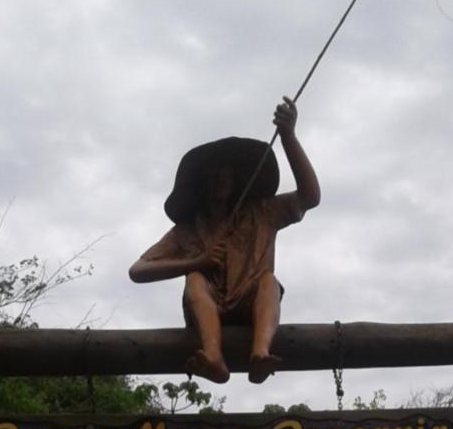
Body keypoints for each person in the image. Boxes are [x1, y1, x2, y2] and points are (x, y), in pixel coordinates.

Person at [128, 97, 321, 384]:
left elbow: (310, 197)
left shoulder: (263, 212)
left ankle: (260, 352)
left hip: (250, 306)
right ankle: (213, 356)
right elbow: (138, 271)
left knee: (268, 281)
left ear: (236, 180)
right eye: (213, 175)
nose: (219, 179)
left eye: (225, 174)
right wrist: (197, 262)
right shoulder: (187, 230)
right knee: (194, 278)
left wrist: (288, 138)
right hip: (207, 309)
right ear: (200, 184)